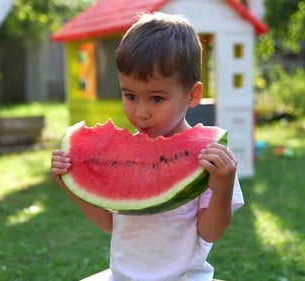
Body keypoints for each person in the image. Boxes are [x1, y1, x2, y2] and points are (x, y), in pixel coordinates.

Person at [51, 12, 244, 281]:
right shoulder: (120, 158)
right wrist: (71, 184)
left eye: (156, 98)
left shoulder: (208, 159)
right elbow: (109, 223)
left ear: (192, 94)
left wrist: (222, 188)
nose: (141, 112)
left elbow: (210, 232)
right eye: (130, 95)